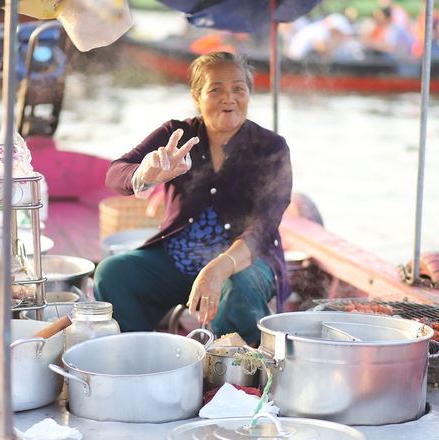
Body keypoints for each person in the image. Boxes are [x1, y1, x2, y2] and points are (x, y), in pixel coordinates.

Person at [93, 51, 293, 346]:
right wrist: (146, 174)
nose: (229, 98)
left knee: (237, 287)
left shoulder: (271, 147)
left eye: (239, 88)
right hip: (176, 260)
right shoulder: (176, 134)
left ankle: (230, 372)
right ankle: (141, 354)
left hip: (244, 263)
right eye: (216, 89)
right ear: (196, 97)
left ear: (249, 94)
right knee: (112, 272)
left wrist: (219, 266)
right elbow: (115, 174)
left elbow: (264, 227)